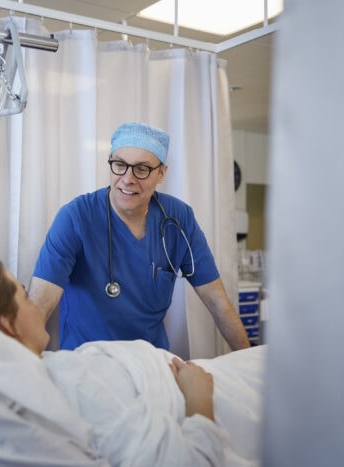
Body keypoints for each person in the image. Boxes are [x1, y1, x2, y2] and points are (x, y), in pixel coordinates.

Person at [0, 259, 229, 466]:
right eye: (23, 294)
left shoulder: (36, 376)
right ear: (8, 324)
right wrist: (199, 400)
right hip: (203, 388)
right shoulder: (68, 382)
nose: (33, 302)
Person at [29, 122, 250, 351]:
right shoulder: (75, 218)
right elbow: (38, 307)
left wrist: (249, 364)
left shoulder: (178, 219)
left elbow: (217, 302)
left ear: (161, 173)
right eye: (120, 164)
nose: (128, 178)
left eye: (142, 169)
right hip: (87, 365)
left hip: (152, 364)